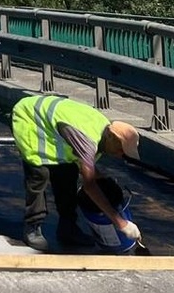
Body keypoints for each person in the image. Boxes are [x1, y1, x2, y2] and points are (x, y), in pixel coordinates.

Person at [11, 94, 142, 251]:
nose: (121, 155)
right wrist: (121, 223)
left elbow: (86, 166)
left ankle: (68, 229)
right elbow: (89, 186)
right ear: (112, 137)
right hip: (30, 118)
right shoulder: (88, 140)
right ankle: (32, 227)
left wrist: (103, 179)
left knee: (68, 174)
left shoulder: (103, 132)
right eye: (121, 150)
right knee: (39, 174)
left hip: (54, 128)